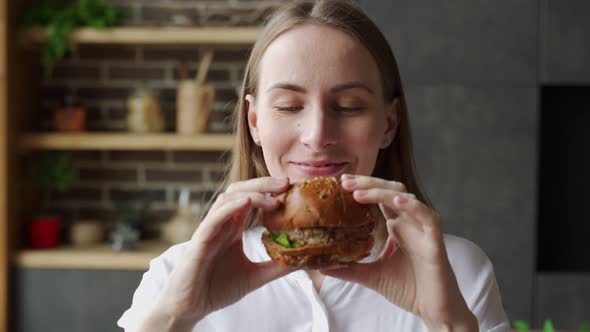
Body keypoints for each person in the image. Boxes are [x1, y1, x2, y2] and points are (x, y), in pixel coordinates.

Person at [118, 0, 510, 331]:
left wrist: (450, 325)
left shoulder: (457, 271)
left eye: (349, 107)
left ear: (388, 124)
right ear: (254, 122)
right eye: (289, 106)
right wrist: (173, 318)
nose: (317, 136)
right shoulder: (174, 276)